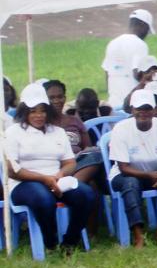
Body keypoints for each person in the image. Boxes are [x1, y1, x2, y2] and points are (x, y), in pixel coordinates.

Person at [3, 83, 97, 253]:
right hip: (24, 183)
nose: (38, 115)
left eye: (42, 110)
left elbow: (70, 162)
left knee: (87, 195)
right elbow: (12, 170)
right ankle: (50, 242)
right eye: (33, 111)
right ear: (24, 111)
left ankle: (70, 241)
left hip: (57, 179)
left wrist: (59, 175)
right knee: (44, 199)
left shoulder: (58, 132)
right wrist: (44, 179)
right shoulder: (13, 132)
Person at [108, 89, 157, 247]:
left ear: (154, 109)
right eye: (139, 109)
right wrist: (150, 176)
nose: (143, 112)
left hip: (155, 173)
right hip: (125, 175)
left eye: (148, 108)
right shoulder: (121, 129)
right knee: (131, 184)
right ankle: (138, 234)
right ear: (131, 110)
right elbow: (123, 167)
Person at [42, 80, 103, 186]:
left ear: (65, 98)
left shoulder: (74, 121)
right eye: (52, 98)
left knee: (97, 156)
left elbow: (87, 148)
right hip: (56, 165)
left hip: (78, 164)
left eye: (60, 97)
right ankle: (69, 187)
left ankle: (67, 186)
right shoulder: (41, 123)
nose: (57, 101)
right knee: (91, 183)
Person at [102, 9, 155, 106]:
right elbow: (138, 74)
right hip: (133, 103)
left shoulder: (112, 43)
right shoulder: (140, 44)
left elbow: (107, 73)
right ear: (142, 25)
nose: (147, 34)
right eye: (148, 30)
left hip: (113, 102)